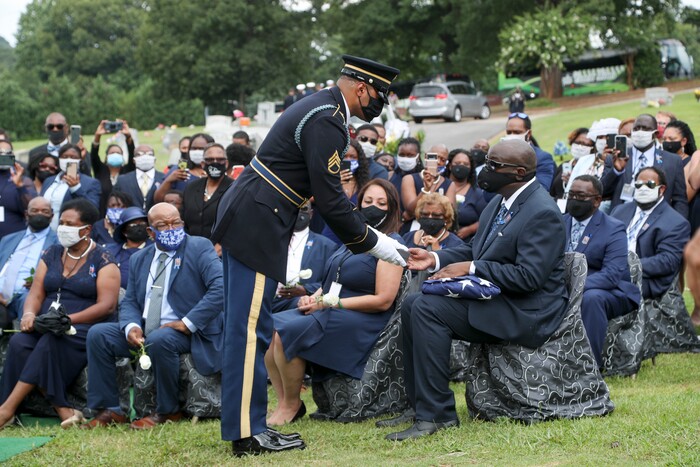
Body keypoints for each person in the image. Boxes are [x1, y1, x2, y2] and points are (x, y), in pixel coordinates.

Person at [211, 54, 406, 456]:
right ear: (362, 88)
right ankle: (249, 433)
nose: (379, 103)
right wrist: (378, 243)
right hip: (259, 221)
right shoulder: (328, 118)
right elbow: (332, 199)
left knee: (246, 329)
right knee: (250, 331)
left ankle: (247, 426)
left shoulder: (324, 107)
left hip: (258, 215)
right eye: (379, 95)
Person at [378, 140, 568, 441]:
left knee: (427, 308)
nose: (485, 171)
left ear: (518, 172)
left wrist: (472, 268)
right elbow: (476, 249)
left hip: (526, 310)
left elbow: (529, 278)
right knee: (414, 303)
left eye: (493, 165)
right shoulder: (500, 202)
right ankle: (418, 406)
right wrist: (435, 258)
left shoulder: (541, 212)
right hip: (496, 296)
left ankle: (437, 416)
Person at [266, 179, 405, 426]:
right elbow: (332, 280)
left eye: (381, 203)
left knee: (288, 332)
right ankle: (286, 401)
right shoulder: (353, 238)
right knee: (271, 329)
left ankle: (291, 405)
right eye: (368, 201)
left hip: (365, 317)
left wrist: (331, 303)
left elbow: (383, 301)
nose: (373, 207)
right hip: (332, 307)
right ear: (358, 204)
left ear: (392, 208)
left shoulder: (392, 244)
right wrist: (314, 296)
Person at [83, 202, 224, 430]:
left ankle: (167, 411)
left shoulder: (199, 247)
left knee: (160, 339)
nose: (171, 229)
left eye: (175, 223)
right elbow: (130, 301)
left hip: (189, 331)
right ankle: (111, 410)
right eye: (163, 225)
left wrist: (188, 323)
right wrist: (130, 326)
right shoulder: (140, 258)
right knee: (99, 334)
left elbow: (220, 289)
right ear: (150, 232)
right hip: (148, 328)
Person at [0, 199, 120, 429]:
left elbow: (107, 306)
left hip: (83, 325)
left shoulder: (104, 259)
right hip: (47, 322)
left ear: (86, 229)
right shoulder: (52, 252)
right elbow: (36, 293)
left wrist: (67, 320)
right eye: (61, 222)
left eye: (69, 223)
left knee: (48, 342)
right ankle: (62, 410)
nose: (62, 228)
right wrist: (28, 315)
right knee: (19, 342)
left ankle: (6, 410)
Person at [563, 175, 640, 367]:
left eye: (580, 196)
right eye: (570, 194)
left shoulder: (613, 228)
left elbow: (612, 274)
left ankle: (589, 368)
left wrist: (574, 287)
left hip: (609, 291)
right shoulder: (558, 223)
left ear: (597, 200)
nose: (574, 200)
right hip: (562, 286)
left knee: (591, 298)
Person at [610, 167, 690, 300]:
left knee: (595, 293)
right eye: (639, 184)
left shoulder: (676, 222)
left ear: (662, 189)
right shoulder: (620, 211)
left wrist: (628, 266)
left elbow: (667, 261)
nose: (643, 188)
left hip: (644, 279)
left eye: (650, 184)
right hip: (610, 270)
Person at [601, 114, 688, 217]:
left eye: (646, 129)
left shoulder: (672, 161)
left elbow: (680, 199)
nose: (640, 132)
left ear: (655, 134)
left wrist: (678, 224)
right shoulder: (615, 158)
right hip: (621, 219)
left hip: (657, 221)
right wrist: (616, 171)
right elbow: (602, 192)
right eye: (636, 128)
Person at [0, 197, 58, 324]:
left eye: (45, 211)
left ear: (52, 216)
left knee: (30, 303)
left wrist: (41, 282)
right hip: (1, 294)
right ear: (26, 214)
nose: (39, 214)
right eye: (35, 210)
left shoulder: (58, 243)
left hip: (28, 295)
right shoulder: (8, 239)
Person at [272, 206, 337, 313]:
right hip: (267, 298)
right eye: (295, 207)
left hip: (300, 303)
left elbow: (333, 281)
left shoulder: (326, 246)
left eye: (304, 209)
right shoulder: (271, 239)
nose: (299, 212)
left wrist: (305, 290)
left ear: (311, 214)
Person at [182, 144, 233, 250]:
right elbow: (184, 220)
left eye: (220, 159)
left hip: (221, 253)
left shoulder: (234, 189)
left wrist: (222, 246)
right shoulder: (191, 187)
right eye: (210, 160)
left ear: (226, 163)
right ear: (203, 164)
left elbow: (240, 224)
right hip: (191, 250)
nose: (215, 162)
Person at [320, 139, 370, 245]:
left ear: (359, 159)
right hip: (330, 233)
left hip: (355, 236)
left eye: (352, 157)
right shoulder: (328, 179)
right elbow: (315, 199)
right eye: (345, 156)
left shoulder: (365, 185)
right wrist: (335, 183)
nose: (348, 160)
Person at [41, 144, 102, 229]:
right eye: (65, 157)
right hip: (45, 233)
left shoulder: (90, 183)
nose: (68, 160)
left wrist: (76, 188)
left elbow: (93, 210)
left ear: (80, 160)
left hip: (67, 232)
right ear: (59, 159)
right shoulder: (49, 180)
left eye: (73, 157)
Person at [400, 144, 455, 233]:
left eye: (443, 159)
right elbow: (410, 210)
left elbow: (448, 213)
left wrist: (416, 214)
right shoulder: (409, 179)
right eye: (435, 157)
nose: (438, 161)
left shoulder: (449, 184)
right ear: (426, 157)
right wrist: (426, 189)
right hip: (413, 230)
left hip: (439, 232)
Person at [89, 120, 136, 216]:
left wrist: (128, 136)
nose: (115, 154)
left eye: (118, 153)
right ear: (106, 157)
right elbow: (94, 155)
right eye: (112, 153)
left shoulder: (127, 171)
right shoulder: (100, 170)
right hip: (102, 214)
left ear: (123, 157)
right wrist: (98, 136)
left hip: (125, 215)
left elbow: (132, 153)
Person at [503, 113, 555, 191]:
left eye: (517, 132)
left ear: (529, 133)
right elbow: (488, 194)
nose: (512, 136)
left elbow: (540, 189)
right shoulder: (498, 156)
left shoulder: (542, 158)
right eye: (509, 132)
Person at [154, 133, 213, 203]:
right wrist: (169, 180)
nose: (197, 151)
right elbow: (158, 199)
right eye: (193, 148)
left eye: (201, 149)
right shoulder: (179, 170)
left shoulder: (216, 171)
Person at [446, 149, 487, 242]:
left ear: (470, 168)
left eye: (466, 164)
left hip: (465, 242)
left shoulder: (477, 193)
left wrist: (470, 229)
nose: (461, 166)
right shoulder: (439, 186)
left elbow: (487, 219)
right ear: (449, 166)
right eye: (457, 163)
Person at [105, 207, 151, 290]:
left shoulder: (154, 250)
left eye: (143, 224)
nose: (139, 228)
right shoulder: (110, 250)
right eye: (133, 225)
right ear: (124, 231)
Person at [0, 141, 37, 238]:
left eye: (8, 153)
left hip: (14, 239)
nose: (4, 156)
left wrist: (20, 186)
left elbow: (32, 209)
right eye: (0, 153)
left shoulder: (23, 180)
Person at [550, 128, 595, 204]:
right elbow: (552, 191)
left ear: (593, 148)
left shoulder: (592, 170)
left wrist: (571, 183)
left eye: (585, 144)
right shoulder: (564, 165)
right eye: (577, 142)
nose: (580, 147)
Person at [113, 145, 165, 211]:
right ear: (134, 160)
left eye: (149, 154)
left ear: (154, 159)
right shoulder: (122, 180)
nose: (144, 157)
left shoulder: (164, 179)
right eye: (139, 154)